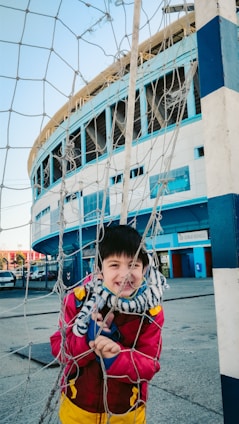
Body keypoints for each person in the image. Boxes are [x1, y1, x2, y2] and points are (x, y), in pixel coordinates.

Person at [50, 224, 164, 424]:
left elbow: (150, 365)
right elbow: (59, 349)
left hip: (126, 412)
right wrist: (86, 339)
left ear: (144, 268)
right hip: (78, 407)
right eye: (114, 265)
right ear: (99, 270)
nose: (125, 274)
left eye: (133, 265)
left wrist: (116, 357)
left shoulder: (151, 312)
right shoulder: (78, 300)